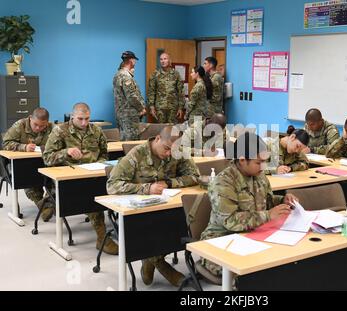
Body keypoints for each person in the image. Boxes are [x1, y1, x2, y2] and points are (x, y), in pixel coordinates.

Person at [106, 126, 200, 287]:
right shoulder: (137, 154)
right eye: (166, 148)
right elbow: (112, 185)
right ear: (157, 139)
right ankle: (159, 263)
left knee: (181, 225)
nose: (169, 153)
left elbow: (195, 176)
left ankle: (152, 260)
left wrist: (170, 183)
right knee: (157, 230)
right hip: (138, 213)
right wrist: (146, 188)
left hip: (166, 206)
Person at [200, 132, 299, 278]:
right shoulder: (223, 182)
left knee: (285, 262)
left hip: (254, 235)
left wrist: (282, 200)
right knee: (251, 273)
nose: (263, 166)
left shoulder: (259, 175)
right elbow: (230, 221)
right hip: (222, 239)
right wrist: (268, 215)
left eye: (265, 161)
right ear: (242, 160)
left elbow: (267, 201)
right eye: (258, 162)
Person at [43, 103, 118, 255]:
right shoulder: (60, 131)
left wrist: (100, 163)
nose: (84, 123)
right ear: (72, 116)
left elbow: (104, 153)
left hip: (93, 174)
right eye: (80, 119)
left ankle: (123, 229)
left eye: (87, 119)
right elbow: (47, 158)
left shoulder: (96, 130)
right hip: (70, 178)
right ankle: (102, 238)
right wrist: (66, 152)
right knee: (91, 195)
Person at [2, 107, 54, 221]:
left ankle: (48, 204)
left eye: (42, 126)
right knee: (28, 178)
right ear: (30, 118)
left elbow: (60, 142)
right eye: (36, 124)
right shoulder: (20, 125)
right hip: (21, 163)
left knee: (54, 176)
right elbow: (5, 143)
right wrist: (23, 147)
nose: (38, 128)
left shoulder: (51, 127)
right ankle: (44, 206)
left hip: (43, 162)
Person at [113, 51, 146, 141]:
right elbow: (131, 96)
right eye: (134, 60)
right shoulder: (126, 76)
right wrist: (141, 108)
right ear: (132, 61)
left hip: (121, 114)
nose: (135, 63)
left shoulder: (117, 75)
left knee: (123, 141)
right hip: (129, 116)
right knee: (131, 143)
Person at [147, 52, 184, 124]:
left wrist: (180, 108)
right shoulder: (155, 74)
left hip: (173, 108)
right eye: (161, 59)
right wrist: (151, 107)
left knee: (172, 130)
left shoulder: (176, 74)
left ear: (169, 60)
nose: (163, 61)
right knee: (161, 130)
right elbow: (151, 91)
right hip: (160, 108)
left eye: (165, 59)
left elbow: (181, 91)